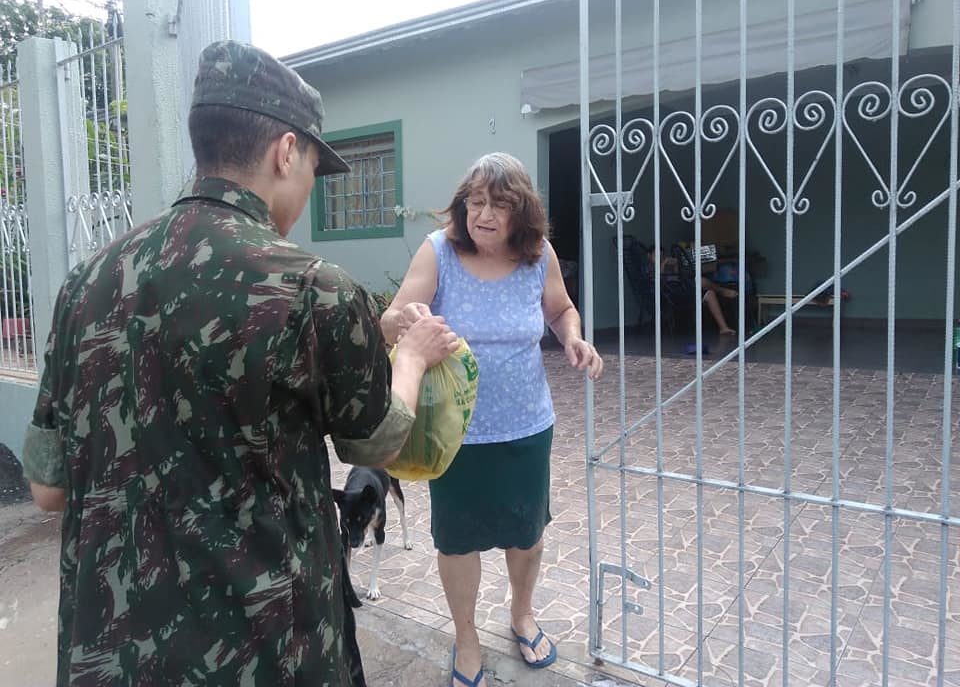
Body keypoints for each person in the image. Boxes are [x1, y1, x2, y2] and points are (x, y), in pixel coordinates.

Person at [21, 40, 458, 686]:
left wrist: (372, 327)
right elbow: (380, 442)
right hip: (270, 648)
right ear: (286, 151)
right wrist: (413, 358)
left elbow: (48, 488)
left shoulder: (84, 283)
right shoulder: (313, 286)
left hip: (109, 650)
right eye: (314, 168)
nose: (309, 188)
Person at [381, 152, 603, 687]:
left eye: (499, 204)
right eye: (475, 201)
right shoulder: (439, 252)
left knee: (526, 533)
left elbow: (559, 308)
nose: (483, 214)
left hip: (527, 425)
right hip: (453, 432)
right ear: (462, 206)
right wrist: (406, 320)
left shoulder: (538, 255)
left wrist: (572, 336)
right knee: (458, 539)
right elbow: (390, 319)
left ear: (520, 212)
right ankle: (466, 636)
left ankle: (522, 614)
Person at [654, 249, 736, 335]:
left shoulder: (666, 267)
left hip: (681, 290)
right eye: (657, 256)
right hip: (668, 296)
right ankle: (722, 291)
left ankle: (724, 328)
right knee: (700, 281)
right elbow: (658, 282)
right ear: (649, 256)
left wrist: (675, 266)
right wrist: (663, 264)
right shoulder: (649, 267)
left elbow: (678, 279)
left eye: (662, 256)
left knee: (708, 291)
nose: (660, 258)